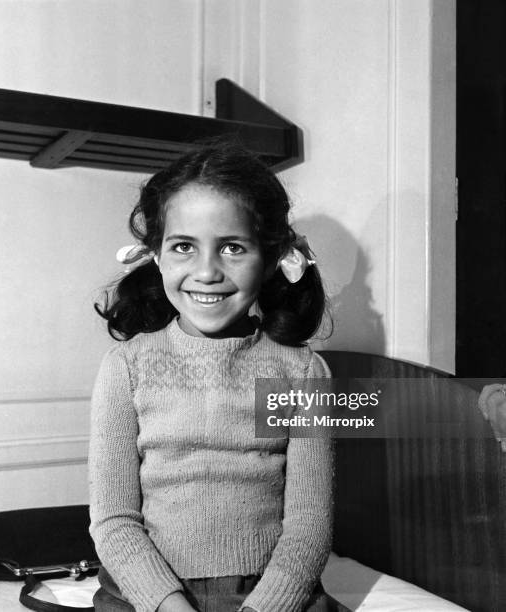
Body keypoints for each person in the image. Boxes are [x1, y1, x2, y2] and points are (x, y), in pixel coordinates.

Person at [88, 142, 345, 612]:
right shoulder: (126, 368)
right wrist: (168, 604)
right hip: (147, 595)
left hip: (270, 596)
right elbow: (113, 519)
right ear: (157, 257)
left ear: (269, 261)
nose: (206, 272)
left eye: (232, 247)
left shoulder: (302, 373)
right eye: (184, 246)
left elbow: (309, 527)